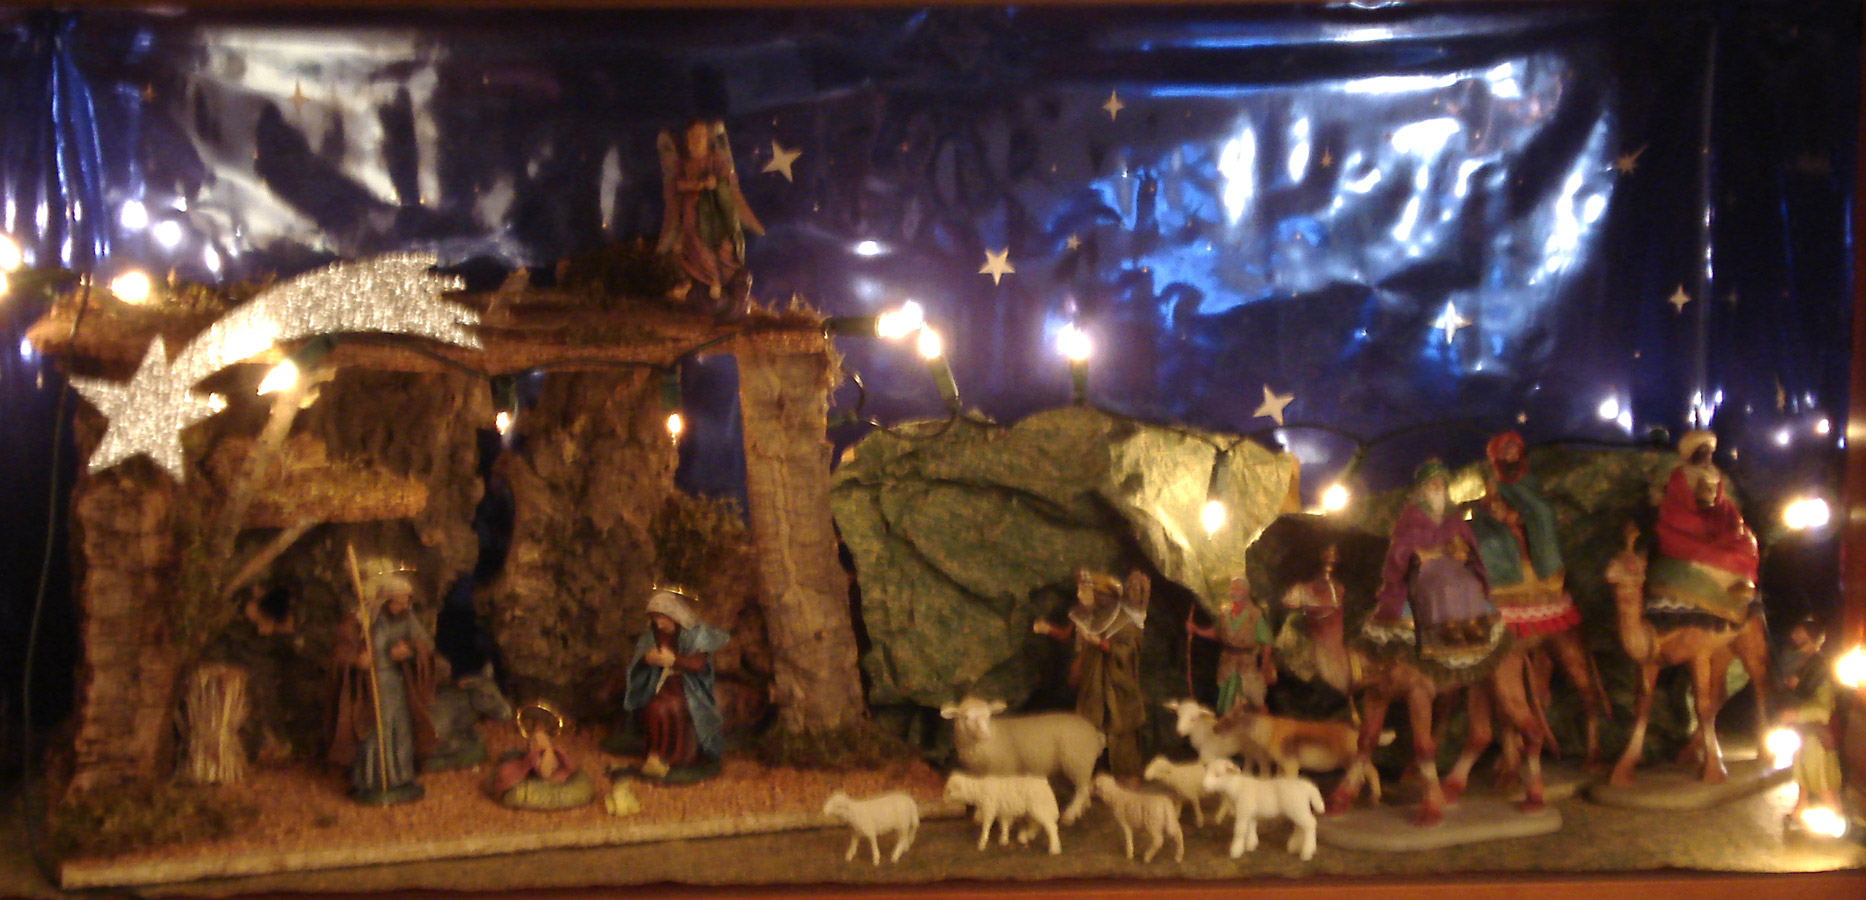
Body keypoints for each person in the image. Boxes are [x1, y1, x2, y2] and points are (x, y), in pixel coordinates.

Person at [328, 573, 438, 804]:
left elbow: (425, 645)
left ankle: (401, 777)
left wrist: (408, 652)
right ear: (385, 600)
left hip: (397, 686)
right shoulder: (362, 620)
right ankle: (370, 780)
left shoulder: (407, 618)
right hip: (371, 687)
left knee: (400, 730)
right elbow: (340, 653)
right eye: (399, 602)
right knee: (374, 732)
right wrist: (358, 661)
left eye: (407, 601)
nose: (404, 606)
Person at [1374, 459, 1497, 659]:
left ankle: (1471, 625)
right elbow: (1400, 547)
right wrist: (1419, 554)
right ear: (1424, 488)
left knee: (1469, 583)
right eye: (1433, 484)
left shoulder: (1452, 515)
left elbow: (1466, 541)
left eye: (1441, 484)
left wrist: (1463, 551)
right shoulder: (1411, 515)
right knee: (1444, 584)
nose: (1438, 488)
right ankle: (1447, 627)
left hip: (1452, 564)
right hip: (1424, 568)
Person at [1034, 569, 1149, 776]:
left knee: (1118, 723)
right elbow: (1068, 634)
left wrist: (1101, 644)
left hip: (1113, 682)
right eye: (1079, 590)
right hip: (1090, 676)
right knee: (1089, 718)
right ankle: (1089, 766)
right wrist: (1048, 629)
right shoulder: (1084, 614)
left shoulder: (1122, 621)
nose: (1080, 595)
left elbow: (1126, 650)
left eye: (1085, 591)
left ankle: (1122, 770)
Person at [1471, 431, 1581, 637]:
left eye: (1515, 451)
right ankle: (1507, 581)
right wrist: (1502, 514)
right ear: (1498, 455)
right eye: (1508, 451)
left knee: (1541, 523)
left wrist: (1525, 516)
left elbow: (1539, 505)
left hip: (1529, 524)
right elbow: (1489, 503)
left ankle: (1546, 572)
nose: (1512, 455)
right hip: (1503, 521)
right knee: (1498, 541)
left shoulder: (1527, 478)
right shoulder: (1495, 481)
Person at [1647, 431, 1760, 625]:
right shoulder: (1683, 473)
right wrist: (1699, 499)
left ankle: (1740, 581)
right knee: (1714, 553)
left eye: (1709, 450)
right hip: (1688, 520)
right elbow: (1681, 496)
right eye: (1703, 450)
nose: (1707, 454)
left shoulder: (1714, 471)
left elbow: (1719, 498)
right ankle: (1726, 582)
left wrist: (1720, 509)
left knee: (1745, 541)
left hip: (1713, 517)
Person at [622, 587, 730, 779]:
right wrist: (648, 658)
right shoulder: (653, 633)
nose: (658, 623)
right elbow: (640, 657)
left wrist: (674, 660)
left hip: (690, 685)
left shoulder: (694, 633)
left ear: (673, 615)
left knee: (672, 707)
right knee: (654, 706)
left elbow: (698, 664)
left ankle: (677, 756)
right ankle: (654, 755)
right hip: (660, 682)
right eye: (655, 618)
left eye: (662, 618)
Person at [656, 119, 764, 309]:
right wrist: (697, 185)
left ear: (707, 139)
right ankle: (713, 279)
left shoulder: (715, 159)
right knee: (697, 244)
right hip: (693, 212)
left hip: (715, 212)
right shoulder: (684, 163)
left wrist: (716, 183)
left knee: (725, 245)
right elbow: (678, 184)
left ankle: (727, 281)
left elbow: (727, 181)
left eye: (700, 136)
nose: (696, 140)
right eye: (692, 137)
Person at [1188, 577, 1275, 714]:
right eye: (1232, 588)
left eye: (1238, 589)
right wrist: (1197, 630)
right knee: (1225, 701)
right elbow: (1218, 633)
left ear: (1246, 592)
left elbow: (1267, 642)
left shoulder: (1255, 615)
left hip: (1246, 664)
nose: (1234, 592)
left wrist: (1264, 667)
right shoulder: (1224, 612)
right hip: (1227, 663)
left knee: (1252, 700)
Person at [1276, 543, 1350, 692]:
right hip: (1313, 648)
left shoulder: (1338, 589)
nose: (1330, 560)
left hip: (1336, 650)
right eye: (1326, 555)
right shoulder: (1301, 590)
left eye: (1334, 556)